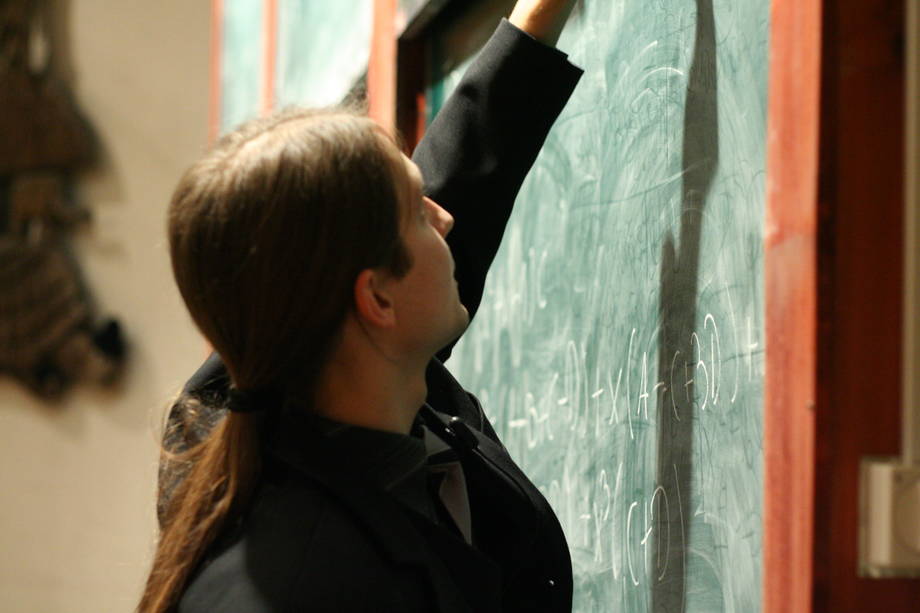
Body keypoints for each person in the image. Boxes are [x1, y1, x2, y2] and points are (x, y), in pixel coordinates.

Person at [139, 1, 582, 611]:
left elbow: (423, 217)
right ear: (374, 297)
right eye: (419, 212)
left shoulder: (320, 378)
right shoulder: (303, 584)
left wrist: (532, 28)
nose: (446, 220)